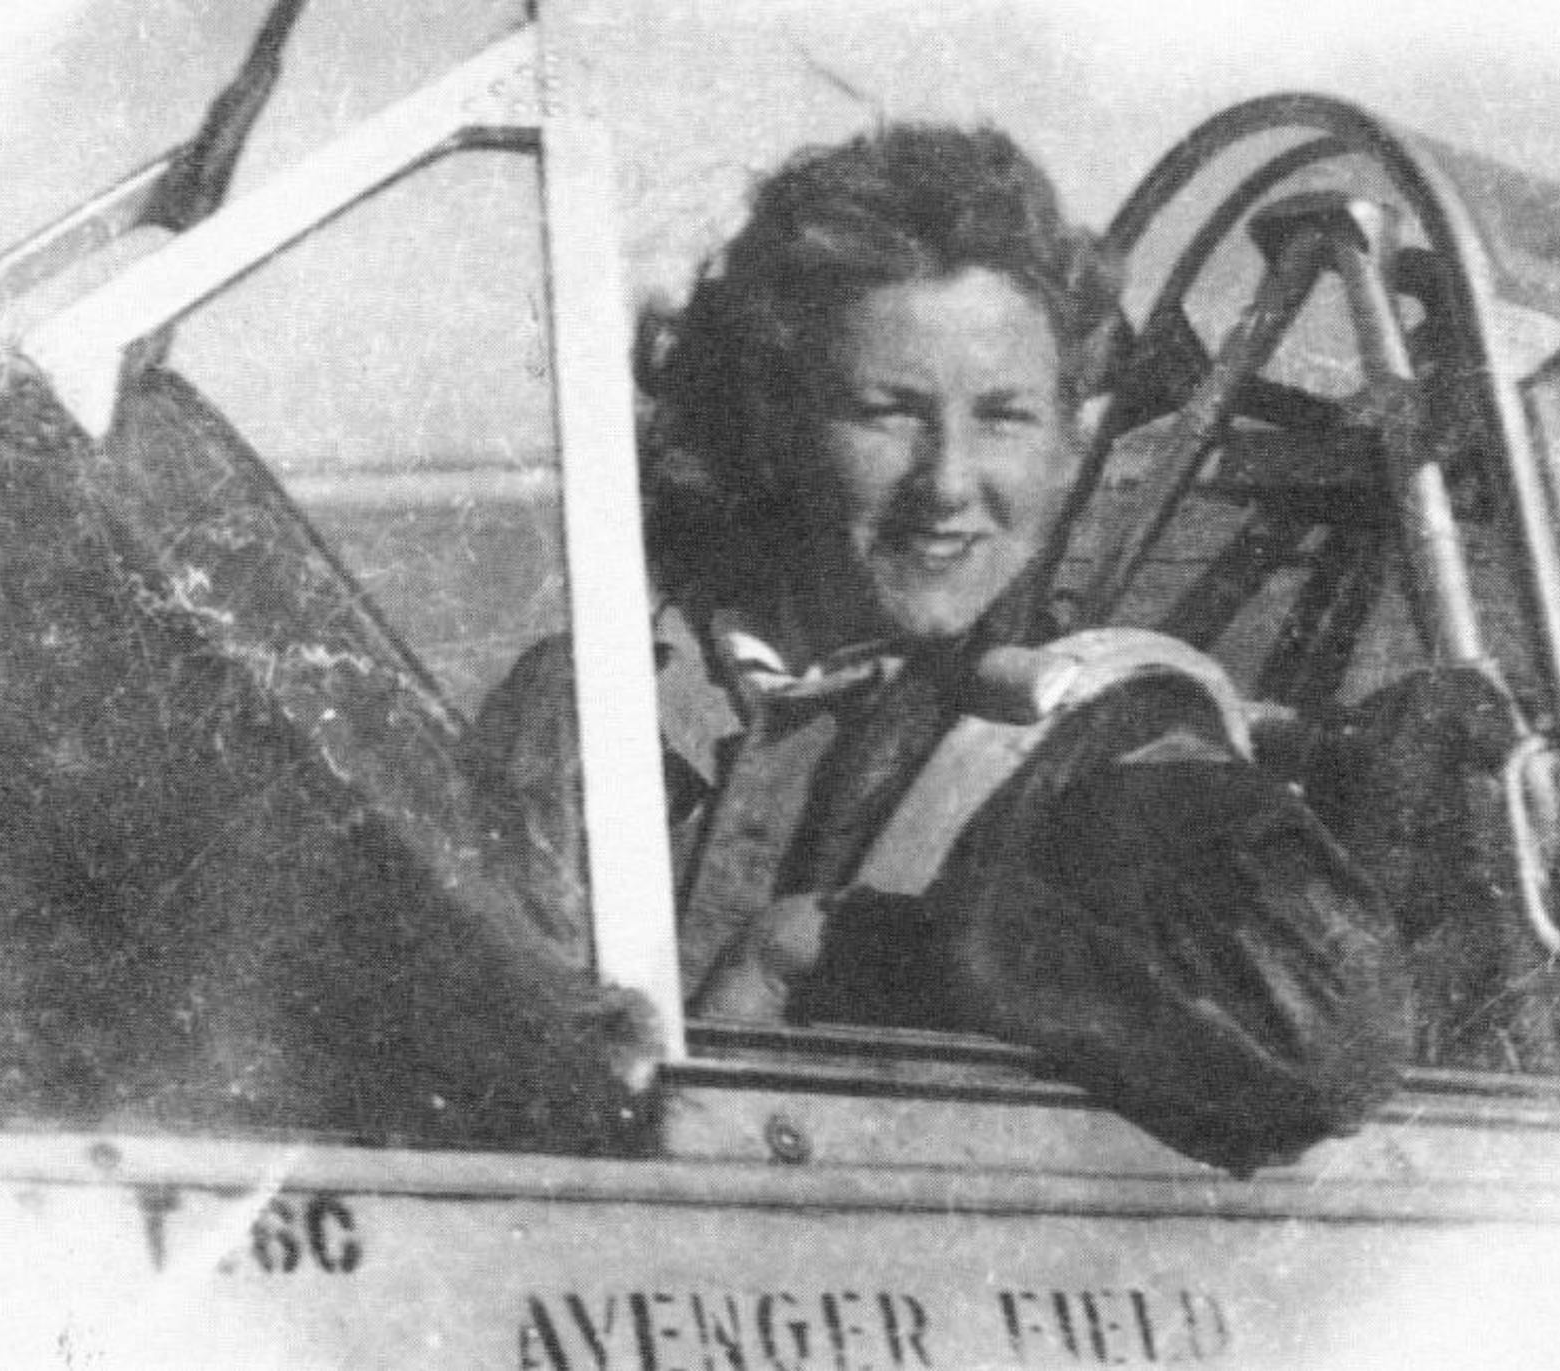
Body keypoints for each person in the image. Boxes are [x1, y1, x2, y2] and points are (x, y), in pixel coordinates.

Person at [470, 122, 1411, 1174]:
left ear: (1070, 447)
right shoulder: (589, 695)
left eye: (1005, 418)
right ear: (778, 421)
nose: (949, 483)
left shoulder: (1083, 733)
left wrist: (819, 952)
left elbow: (1325, 1032)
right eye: (890, 413)